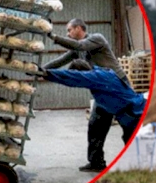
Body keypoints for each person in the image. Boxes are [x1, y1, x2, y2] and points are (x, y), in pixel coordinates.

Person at [44, 19, 130, 172]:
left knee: (129, 124)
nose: (68, 33)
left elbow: (79, 45)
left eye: (69, 30)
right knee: (95, 125)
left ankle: (135, 160)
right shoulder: (77, 50)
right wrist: (40, 69)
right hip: (102, 88)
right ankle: (97, 162)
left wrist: (53, 37)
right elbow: (60, 61)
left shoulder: (96, 39)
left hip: (118, 86)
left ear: (78, 28)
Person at [41, 59, 145, 158]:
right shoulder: (99, 74)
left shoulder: (97, 77)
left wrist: (47, 73)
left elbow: (72, 78)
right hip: (129, 114)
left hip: (134, 113)